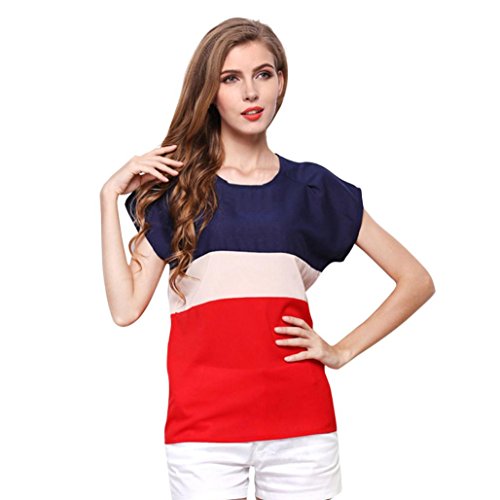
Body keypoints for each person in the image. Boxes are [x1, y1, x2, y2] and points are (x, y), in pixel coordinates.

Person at [100, 17, 435, 500]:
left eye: (263, 74)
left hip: (302, 425)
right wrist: (108, 196)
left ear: (281, 82)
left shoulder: (312, 189)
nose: (250, 92)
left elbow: (416, 279)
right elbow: (125, 308)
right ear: (210, 92)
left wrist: (341, 351)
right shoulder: (178, 192)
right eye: (230, 78)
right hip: (203, 430)